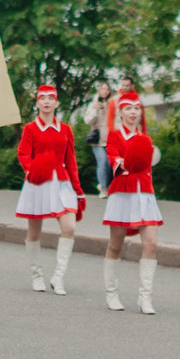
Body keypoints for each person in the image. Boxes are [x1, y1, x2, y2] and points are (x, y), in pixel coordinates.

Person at [98, 88, 163, 314]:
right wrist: (127, 163)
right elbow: (114, 159)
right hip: (122, 193)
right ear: (121, 113)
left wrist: (145, 153)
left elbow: (150, 162)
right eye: (128, 109)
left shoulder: (145, 139)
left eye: (137, 108)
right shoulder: (114, 136)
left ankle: (145, 297)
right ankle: (111, 294)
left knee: (151, 244)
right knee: (116, 245)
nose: (133, 112)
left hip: (144, 193)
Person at [15, 84, 83, 294]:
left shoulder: (65, 130)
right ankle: (36, 275)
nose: (46, 102)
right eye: (42, 98)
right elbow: (23, 154)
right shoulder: (30, 129)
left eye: (50, 98)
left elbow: (71, 160)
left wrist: (78, 189)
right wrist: (31, 170)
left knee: (69, 227)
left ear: (56, 103)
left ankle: (59, 276)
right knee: (34, 231)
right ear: (37, 103)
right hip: (38, 182)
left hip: (62, 183)